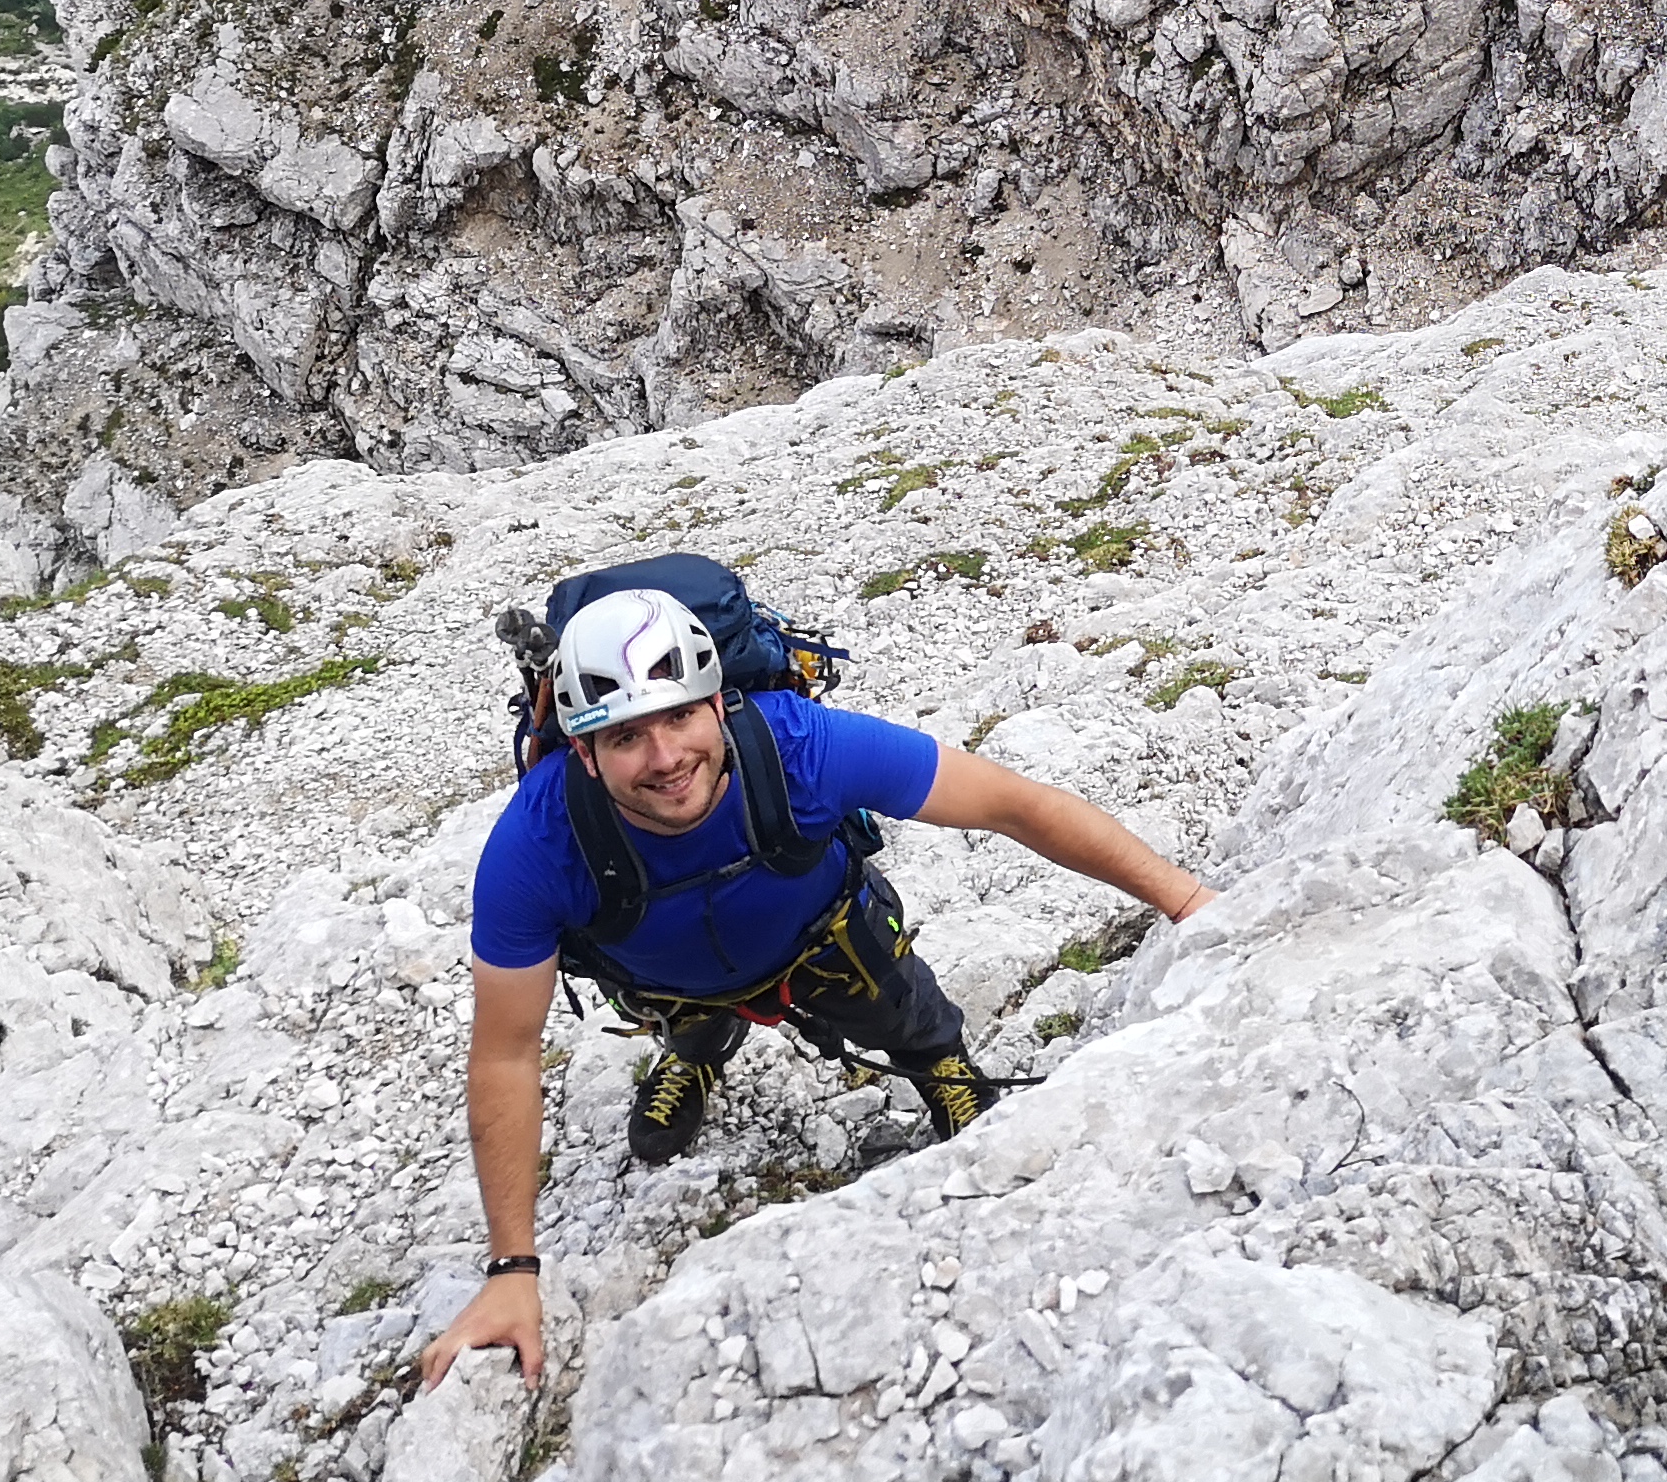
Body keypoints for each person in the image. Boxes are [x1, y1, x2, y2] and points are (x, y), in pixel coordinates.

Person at [421, 579, 1213, 1387]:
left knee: (902, 1010)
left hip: (822, 943)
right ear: (583, 752)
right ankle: (697, 1047)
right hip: (669, 982)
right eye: (625, 738)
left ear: (721, 705)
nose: (664, 758)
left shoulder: (801, 747)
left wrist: (1188, 902)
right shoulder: (537, 845)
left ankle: (941, 1065)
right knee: (686, 1015)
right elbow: (506, 1055)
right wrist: (512, 1269)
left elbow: (1017, 806)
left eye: (679, 717)